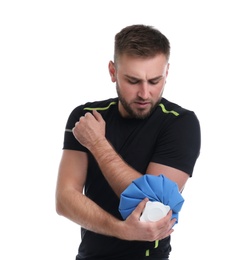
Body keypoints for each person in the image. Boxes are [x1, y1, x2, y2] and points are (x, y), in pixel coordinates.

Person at [55, 24, 201, 260]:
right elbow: (64, 199)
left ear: (167, 73)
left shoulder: (180, 123)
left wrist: (98, 144)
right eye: (133, 81)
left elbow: (154, 206)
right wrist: (121, 230)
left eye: (155, 81)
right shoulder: (86, 117)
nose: (144, 93)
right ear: (113, 72)